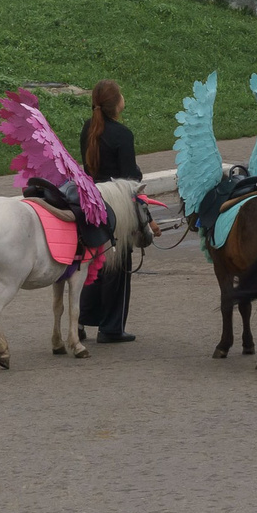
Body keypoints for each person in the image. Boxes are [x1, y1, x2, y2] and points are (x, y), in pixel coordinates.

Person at [76, 80, 142, 344]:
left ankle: (82, 318)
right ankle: (112, 326)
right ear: (117, 104)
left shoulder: (88, 129)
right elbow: (129, 177)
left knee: (96, 263)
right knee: (118, 264)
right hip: (117, 205)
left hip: (92, 204)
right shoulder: (123, 135)